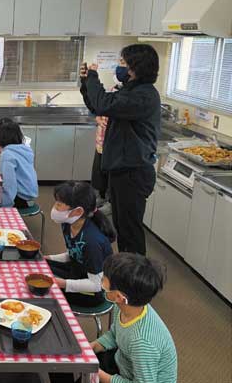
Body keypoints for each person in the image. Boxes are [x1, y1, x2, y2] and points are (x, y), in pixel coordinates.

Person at [80, 44, 161, 256]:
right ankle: (125, 271)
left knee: (130, 230)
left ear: (136, 67)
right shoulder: (130, 91)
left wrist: (93, 77)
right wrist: (85, 82)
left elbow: (104, 104)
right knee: (122, 226)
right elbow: (98, 105)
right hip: (122, 170)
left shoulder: (143, 96)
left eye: (123, 63)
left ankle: (135, 281)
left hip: (133, 173)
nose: (120, 67)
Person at [92, 253, 176, 383]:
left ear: (119, 297)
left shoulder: (141, 341)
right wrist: (92, 346)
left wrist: (98, 374)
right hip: (123, 364)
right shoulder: (124, 307)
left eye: (104, 279)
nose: (101, 282)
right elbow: (115, 334)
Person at [44, 181, 115, 307]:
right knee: (39, 266)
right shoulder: (68, 223)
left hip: (93, 292)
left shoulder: (91, 241)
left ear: (77, 211)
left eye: (59, 204)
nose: (54, 207)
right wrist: (48, 258)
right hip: (76, 271)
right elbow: (73, 253)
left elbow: (96, 284)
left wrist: (63, 283)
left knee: (43, 289)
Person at [0, 121, 38, 209]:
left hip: (21, 199)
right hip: (30, 196)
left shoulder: (7, 154)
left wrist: (5, 207)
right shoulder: (25, 149)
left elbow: (9, 185)